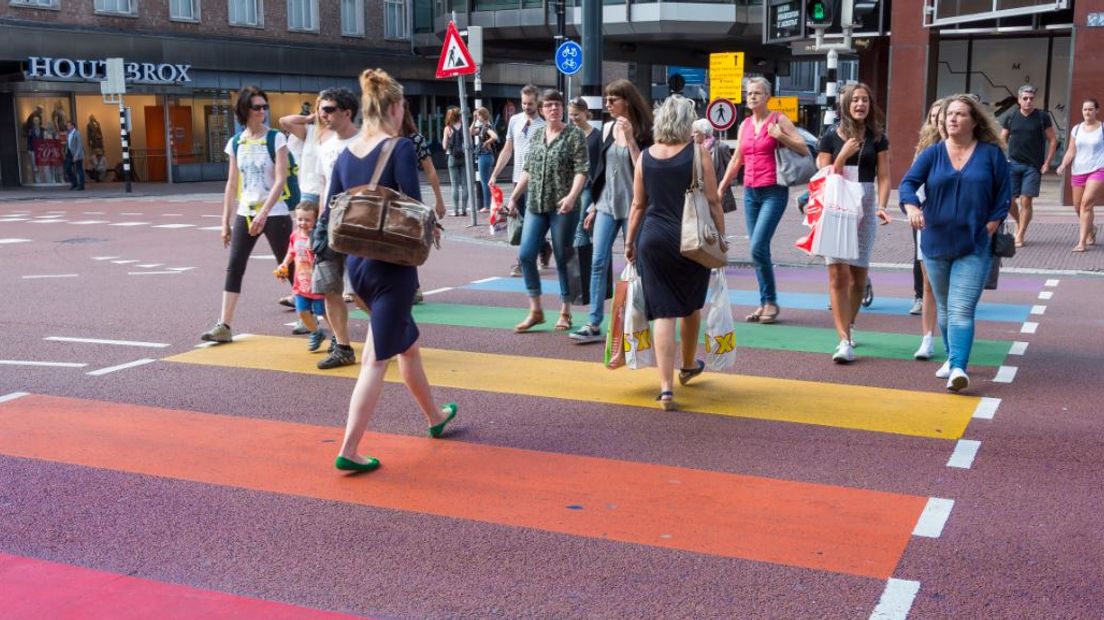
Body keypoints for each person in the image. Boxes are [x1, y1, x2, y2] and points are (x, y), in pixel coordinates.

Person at [328, 68, 456, 472]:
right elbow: (413, 208)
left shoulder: (345, 154)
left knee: (408, 345)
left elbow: (332, 208)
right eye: (404, 108)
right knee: (375, 361)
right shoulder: (399, 149)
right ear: (395, 107)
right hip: (393, 270)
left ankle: (436, 418)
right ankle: (349, 448)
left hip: (359, 268)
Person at [900, 94, 1011, 392]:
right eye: (949, 114)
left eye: (960, 114)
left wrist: (990, 225)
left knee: (961, 308)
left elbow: (1003, 195)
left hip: (975, 244)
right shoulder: (933, 153)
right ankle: (952, 358)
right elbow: (908, 183)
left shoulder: (991, 154)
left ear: (974, 121)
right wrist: (911, 207)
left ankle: (959, 368)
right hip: (935, 242)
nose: (952, 119)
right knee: (946, 309)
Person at [625, 94, 724, 411]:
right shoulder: (697, 154)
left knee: (663, 311)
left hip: (652, 239)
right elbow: (713, 200)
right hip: (691, 239)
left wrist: (629, 242)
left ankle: (666, 389)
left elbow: (638, 205)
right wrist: (720, 236)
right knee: (691, 302)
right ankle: (689, 364)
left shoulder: (645, 157)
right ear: (686, 122)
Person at [200, 86, 292, 344]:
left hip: (274, 212)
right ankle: (224, 325)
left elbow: (281, 180)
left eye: (265, 107)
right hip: (245, 211)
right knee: (234, 266)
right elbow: (231, 183)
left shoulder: (277, 139)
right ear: (244, 110)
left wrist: (264, 214)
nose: (262, 111)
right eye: (257, 107)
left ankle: (313, 318)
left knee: (290, 267)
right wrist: (224, 223)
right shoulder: (236, 142)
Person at [718, 77, 809, 325]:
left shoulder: (779, 119)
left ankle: (770, 302)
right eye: (749, 93)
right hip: (750, 193)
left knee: (757, 244)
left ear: (768, 97)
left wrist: (782, 136)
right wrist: (721, 189)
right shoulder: (745, 124)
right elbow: (736, 159)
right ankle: (764, 302)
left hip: (773, 191)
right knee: (759, 250)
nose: (753, 97)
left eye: (758, 93)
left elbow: (803, 148)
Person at [283, 87, 362, 369]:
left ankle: (389, 335)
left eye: (328, 110)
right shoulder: (325, 146)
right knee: (329, 288)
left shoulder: (366, 143)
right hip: (328, 224)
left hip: (358, 224)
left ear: (346, 112)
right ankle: (343, 347)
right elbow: (323, 185)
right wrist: (317, 221)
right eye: (321, 109)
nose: (322, 115)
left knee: (362, 290)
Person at [814, 82, 892, 363]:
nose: (861, 105)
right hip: (836, 205)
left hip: (866, 204)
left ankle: (850, 323)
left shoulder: (878, 138)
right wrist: (844, 154)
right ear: (846, 104)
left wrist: (882, 206)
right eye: (856, 100)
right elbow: (822, 175)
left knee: (858, 277)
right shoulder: (829, 137)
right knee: (838, 276)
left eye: (865, 101)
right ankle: (843, 340)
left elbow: (884, 176)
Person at [571, 81, 653, 343]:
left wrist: (630, 139)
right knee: (598, 262)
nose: (607, 104)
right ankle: (594, 322)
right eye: (606, 100)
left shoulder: (644, 130)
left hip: (634, 205)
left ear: (626, 101)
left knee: (636, 263)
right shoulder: (607, 128)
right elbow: (602, 170)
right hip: (606, 204)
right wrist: (594, 205)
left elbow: (644, 166)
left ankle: (638, 318)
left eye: (612, 100)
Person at [508, 89, 589, 333]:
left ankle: (565, 310)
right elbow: (527, 171)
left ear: (562, 108)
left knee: (563, 257)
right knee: (525, 254)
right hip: (535, 204)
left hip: (562, 206)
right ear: (542, 110)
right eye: (549, 105)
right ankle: (536, 310)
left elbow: (581, 170)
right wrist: (513, 198)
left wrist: (572, 196)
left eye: (557, 104)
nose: (554, 108)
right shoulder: (535, 136)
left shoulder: (574, 135)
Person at [491, 84, 552, 276]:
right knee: (520, 220)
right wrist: (495, 174)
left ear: (537, 103)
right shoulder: (515, 121)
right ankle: (543, 247)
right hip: (518, 179)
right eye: (524, 103)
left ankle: (523, 261)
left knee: (531, 222)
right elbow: (508, 149)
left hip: (536, 181)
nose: (526, 107)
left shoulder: (545, 125)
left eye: (530, 103)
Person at [909, 99, 947, 361]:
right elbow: (909, 184)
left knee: (953, 287)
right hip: (927, 220)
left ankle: (953, 341)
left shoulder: (970, 149)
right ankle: (927, 339)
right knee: (929, 284)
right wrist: (912, 207)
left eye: (941, 116)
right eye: (933, 116)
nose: (938, 121)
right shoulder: (924, 151)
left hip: (958, 224)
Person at [1000, 84, 1057, 248]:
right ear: (1019, 100)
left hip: (1033, 166)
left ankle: (1020, 234)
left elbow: (1052, 140)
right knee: (1008, 201)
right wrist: (1002, 159)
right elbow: (1002, 138)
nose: (1028, 101)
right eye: (1025, 98)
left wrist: (1047, 163)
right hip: (1013, 164)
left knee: (1026, 200)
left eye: (1031, 98)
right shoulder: (1011, 117)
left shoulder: (1042, 117)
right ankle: (1019, 222)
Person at [402, 100, 447, 304]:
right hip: (388, 199)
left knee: (408, 244)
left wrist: (439, 201)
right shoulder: (382, 138)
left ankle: (414, 287)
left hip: (410, 198)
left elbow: (430, 170)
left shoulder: (415, 139)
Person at [275, 201, 330, 352]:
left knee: (324, 312)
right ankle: (316, 332)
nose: (302, 223)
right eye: (300, 219)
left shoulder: (318, 237)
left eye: (307, 220)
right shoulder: (295, 236)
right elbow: (291, 251)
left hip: (317, 282)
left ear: (315, 220)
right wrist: (284, 264)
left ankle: (337, 337)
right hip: (301, 282)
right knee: (302, 312)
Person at [1056, 98, 1103, 252]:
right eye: (1085, 109)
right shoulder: (1076, 129)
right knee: (1077, 207)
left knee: (1086, 203)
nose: (1087, 112)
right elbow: (1071, 150)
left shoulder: (1102, 128)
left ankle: (1082, 242)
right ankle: (1091, 228)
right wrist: (1063, 165)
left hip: (1097, 169)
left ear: (1097, 110)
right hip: (1078, 170)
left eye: (1090, 109)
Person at [692, 119, 737, 214]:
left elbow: (731, 168)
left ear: (703, 133)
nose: (693, 135)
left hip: (715, 194)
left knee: (714, 223)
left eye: (696, 132)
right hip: (698, 194)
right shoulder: (693, 149)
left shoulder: (721, 147)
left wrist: (725, 187)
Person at [471, 106, 499, 214]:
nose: (477, 117)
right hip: (486, 156)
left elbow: (495, 137)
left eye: (478, 115)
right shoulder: (483, 126)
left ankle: (488, 205)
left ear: (482, 115)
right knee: (487, 181)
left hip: (485, 155)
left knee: (485, 181)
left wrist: (487, 143)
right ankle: (490, 204)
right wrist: (473, 121)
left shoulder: (487, 126)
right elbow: (471, 132)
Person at [442, 106, 469, 216]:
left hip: (452, 157)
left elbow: (444, 146)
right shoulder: (465, 127)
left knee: (454, 185)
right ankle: (464, 210)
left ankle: (456, 210)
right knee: (465, 184)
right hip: (464, 157)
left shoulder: (448, 129)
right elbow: (470, 144)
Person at [64, 120, 85, 190]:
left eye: (68, 125)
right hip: (70, 152)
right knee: (67, 168)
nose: (67, 126)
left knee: (79, 169)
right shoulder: (68, 133)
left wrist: (76, 155)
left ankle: (81, 185)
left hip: (77, 152)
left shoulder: (77, 133)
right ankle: (74, 182)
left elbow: (79, 145)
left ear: (72, 126)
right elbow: (68, 143)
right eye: (67, 125)